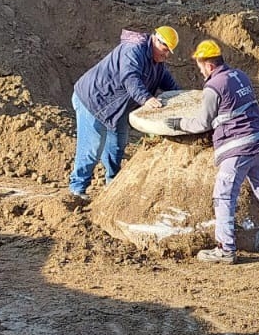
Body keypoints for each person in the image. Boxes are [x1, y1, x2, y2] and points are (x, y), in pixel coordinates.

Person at [165, 39, 259, 264]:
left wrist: (179, 124)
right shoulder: (239, 76)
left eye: (199, 64)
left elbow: (202, 122)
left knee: (224, 196)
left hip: (238, 147)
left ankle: (225, 248)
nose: (199, 69)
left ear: (208, 64)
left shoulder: (213, 86)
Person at [67, 26, 181, 207]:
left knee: (118, 145)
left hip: (116, 109)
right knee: (92, 148)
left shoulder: (156, 61)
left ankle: (112, 186)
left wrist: (183, 97)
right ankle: (77, 190)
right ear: (156, 40)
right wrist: (146, 98)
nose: (166, 55)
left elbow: (166, 80)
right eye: (165, 49)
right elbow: (130, 77)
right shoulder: (133, 50)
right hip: (94, 100)